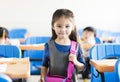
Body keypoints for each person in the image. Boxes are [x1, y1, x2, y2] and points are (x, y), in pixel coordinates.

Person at [39, 9, 85, 82]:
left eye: (67, 26)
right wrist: (42, 77)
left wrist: (75, 61)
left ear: (72, 27)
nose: (63, 29)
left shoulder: (76, 46)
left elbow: (82, 67)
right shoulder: (48, 46)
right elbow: (44, 65)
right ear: (53, 26)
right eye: (59, 26)